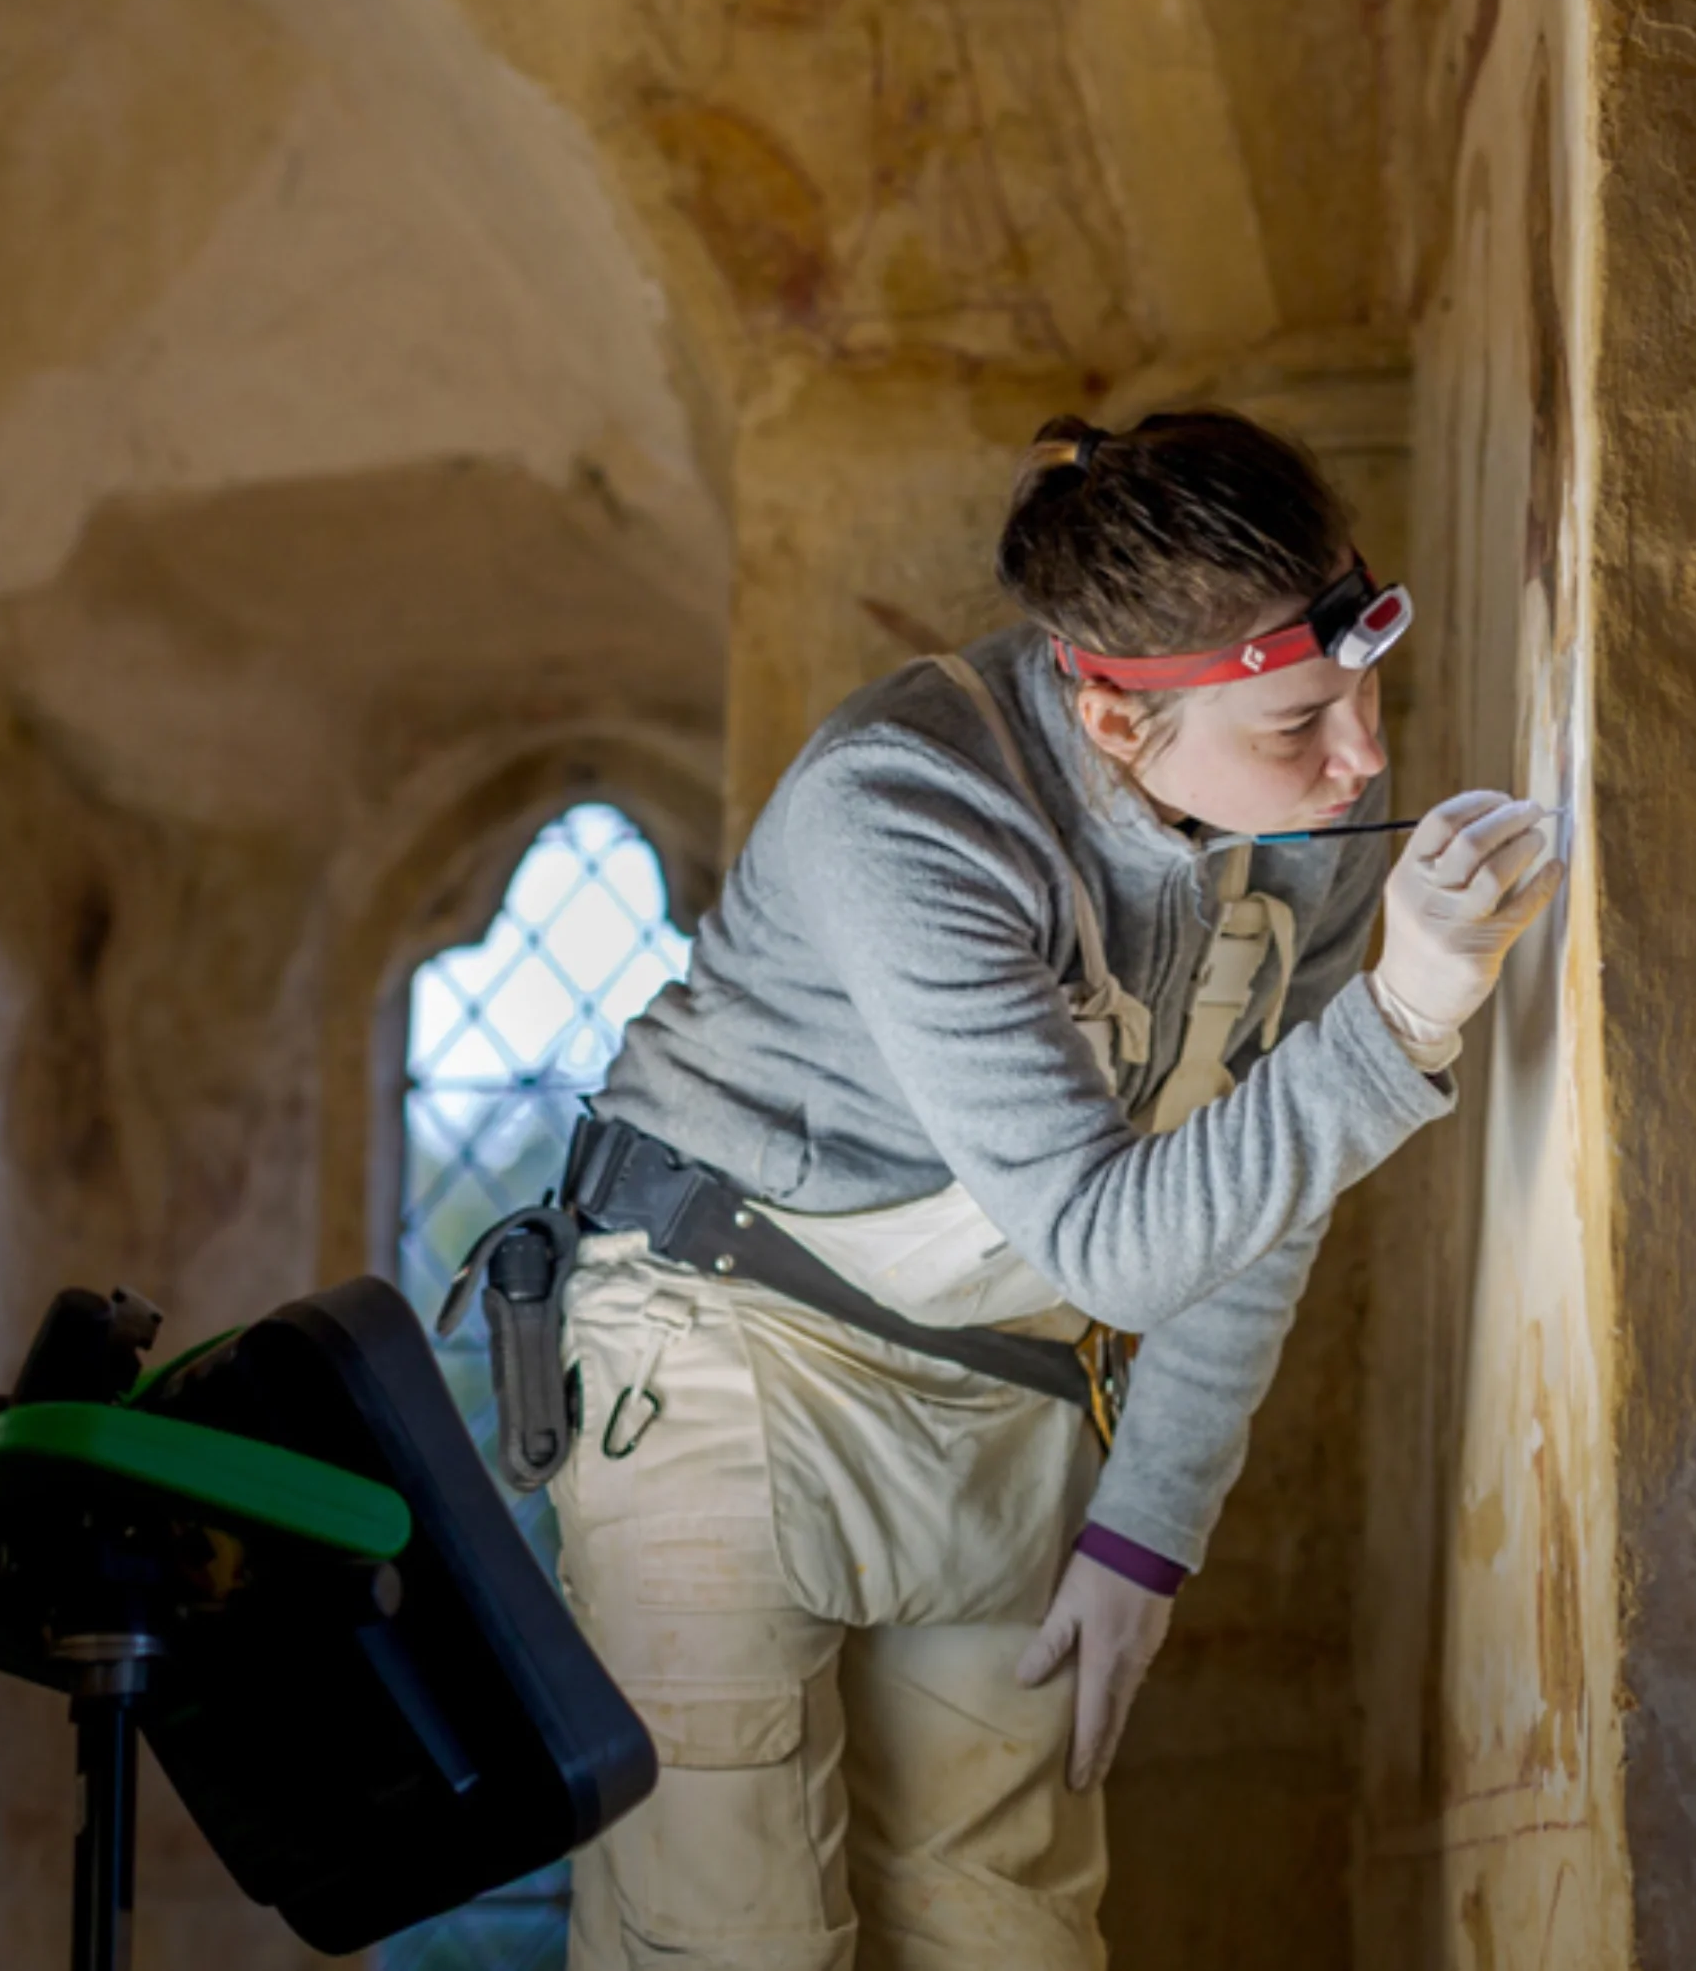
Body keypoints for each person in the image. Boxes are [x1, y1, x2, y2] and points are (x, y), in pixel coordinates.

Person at [548, 409, 1561, 1970]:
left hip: (1003, 1381)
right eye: (1299, 720)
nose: (1363, 752)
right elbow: (1117, 1240)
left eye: (1365, 683)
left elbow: (1255, 1196)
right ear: (1109, 715)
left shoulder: (1310, 830)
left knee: (1006, 1929)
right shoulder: (904, 810)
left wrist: (1145, 1528)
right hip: (725, 1350)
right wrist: (1399, 1022)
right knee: (730, 1933)